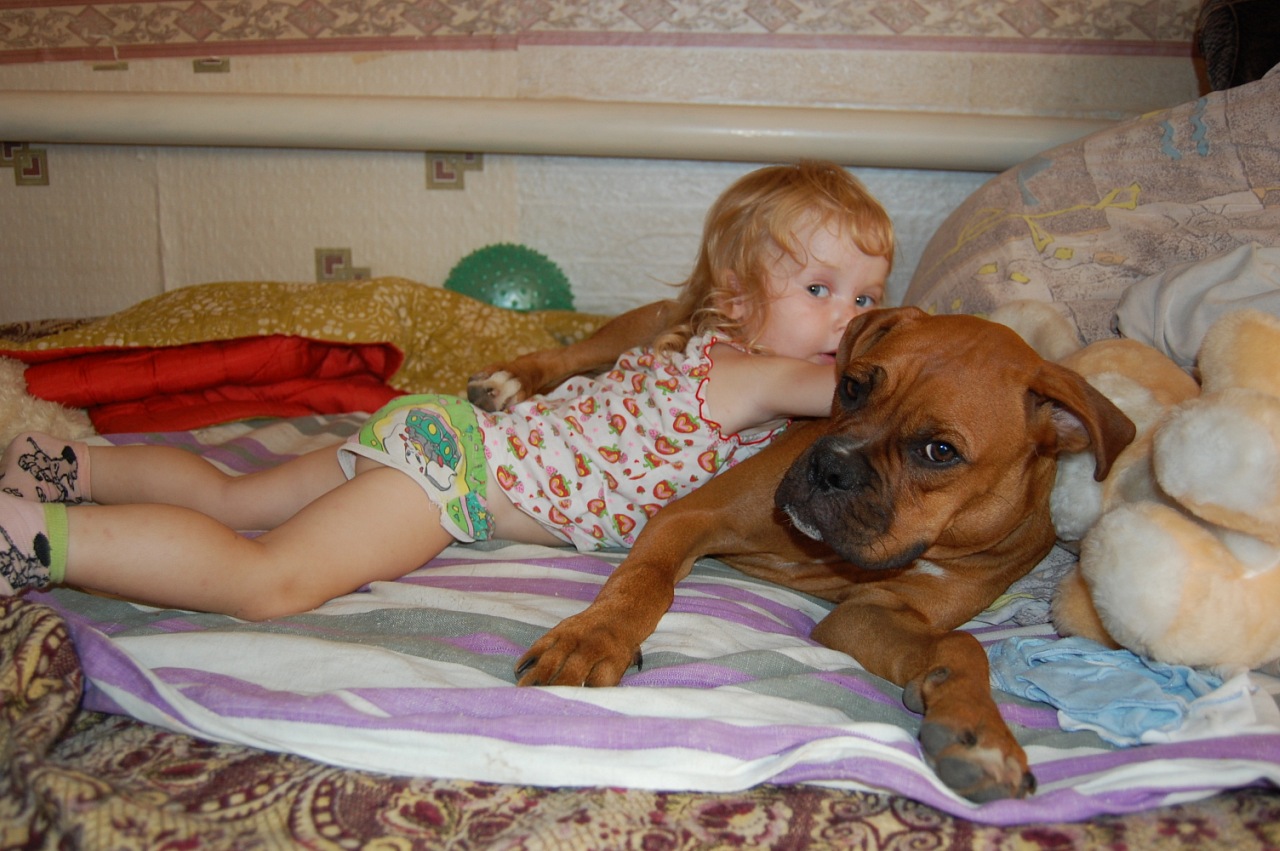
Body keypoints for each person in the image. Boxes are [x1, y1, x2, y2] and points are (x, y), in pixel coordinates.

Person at [0, 161, 893, 620]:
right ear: (735, 298)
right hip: (455, 475)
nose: (849, 321)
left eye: (868, 299)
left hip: (441, 432)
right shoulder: (762, 376)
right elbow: (877, 391)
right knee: (267, 581)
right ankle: (31, 538)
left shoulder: (700, 342)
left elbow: (673, 318)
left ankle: (58, 461)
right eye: (819, 289)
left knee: (234, 496)